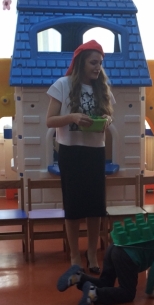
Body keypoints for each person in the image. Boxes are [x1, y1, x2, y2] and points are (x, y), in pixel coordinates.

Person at [46, 40, 114, 273]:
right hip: (71, 152)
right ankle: (75, 254)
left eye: (100, 63)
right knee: (74, 207)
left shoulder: (102, 88)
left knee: (95, 207)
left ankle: (92, 253)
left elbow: (109, 115)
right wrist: (72, 117)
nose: (97, 67)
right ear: (81, 62)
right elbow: (50, 120)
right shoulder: (62, 85)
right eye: (93, 62)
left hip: (95, 152)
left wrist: (107, 120)